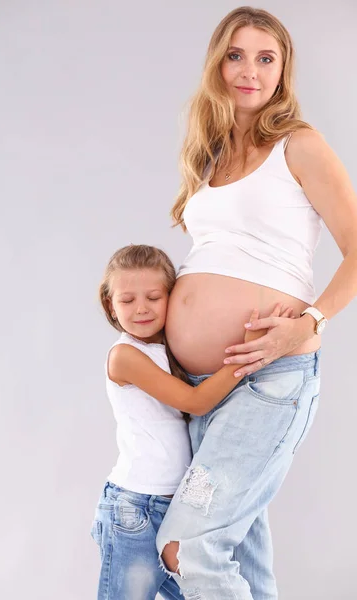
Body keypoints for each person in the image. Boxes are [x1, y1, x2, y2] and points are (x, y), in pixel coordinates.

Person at [155, 6, 357, 600]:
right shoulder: (209, 155)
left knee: (188, 550)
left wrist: (310, 322)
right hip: (196, 385)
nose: (250, 70)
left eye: (266, 58)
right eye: (236, 55)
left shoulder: (298, 145)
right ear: (217, 64)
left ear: (282, 71)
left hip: (266, 379)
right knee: (240, 556)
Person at [91, 243, 292, 600]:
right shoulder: (125, 356)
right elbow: (196, 402)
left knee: (204, 590)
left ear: (173, 298)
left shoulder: (168, 350)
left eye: (154, 297)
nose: (141, 309)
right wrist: (246, 355)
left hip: (177, 509)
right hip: (134, 509)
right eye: (127, 300)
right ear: (110, 304)